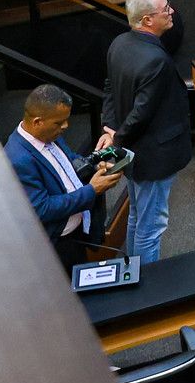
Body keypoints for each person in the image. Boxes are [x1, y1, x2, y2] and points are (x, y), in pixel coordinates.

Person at [101, 0, 190, 262]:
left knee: (137, 216)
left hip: (135, 155)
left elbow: (109, 89)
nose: (171, 12)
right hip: (154, 156)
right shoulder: (156, 60)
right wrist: (117, 137)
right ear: (148, 20)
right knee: (151, 227)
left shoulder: (119, 44)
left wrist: (110, 128)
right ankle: (147, 289)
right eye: (165, 9)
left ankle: (133, 270)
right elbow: (142, 113)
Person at [8, 84, 121, 267]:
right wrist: (92, 190)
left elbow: (70, 162)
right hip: (58, 247)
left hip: (76, 235)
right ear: (37, 122)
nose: (66, 126)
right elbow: (42, 208)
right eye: (59, 123)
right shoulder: (18, 159)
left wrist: (93, 167)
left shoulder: (50, 134)